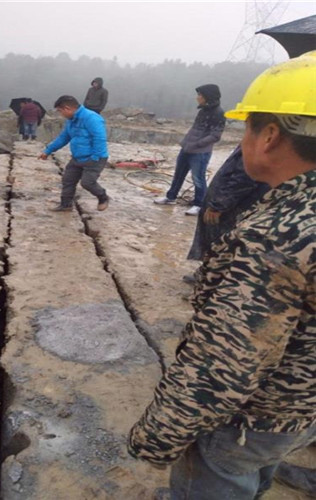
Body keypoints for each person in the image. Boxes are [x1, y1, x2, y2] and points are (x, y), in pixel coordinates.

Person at [128, 51, 316, 500]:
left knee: (221, 474)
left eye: (245, 128)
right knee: (259, 468)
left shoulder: (278, 237)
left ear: (269, 135)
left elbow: (222, 367)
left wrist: (154, 438)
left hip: (252, 419)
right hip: (301, 409)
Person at [182, 146, 270, 284]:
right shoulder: (254, 145)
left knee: (219, 244)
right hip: (227, 205)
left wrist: (219, 205)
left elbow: (242, 179)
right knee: (218, 244)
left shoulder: (257, 149)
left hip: (229, 209)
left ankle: (210, 282)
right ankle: (206, 275)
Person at [154, 84, 225, 215]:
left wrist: (198, 144)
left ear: (208, 97)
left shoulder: (219, 113)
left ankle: (199, 204)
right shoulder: (202, 111)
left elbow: (215, 135)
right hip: (187, 148)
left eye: (200, 95)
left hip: (200, 152)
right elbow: (195, 129)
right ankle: (171, 197)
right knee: (178, 174)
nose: (197, 98)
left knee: (198, 178)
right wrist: (186, 142)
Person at [39, 95, 109, 212]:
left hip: (95, 158)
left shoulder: (91, 118)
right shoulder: (71, 121)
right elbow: (63, 138)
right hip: (77, 157)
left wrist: (95, 157)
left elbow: (99, 138)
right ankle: (65, 205)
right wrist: (48, 151)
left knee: (87, 183)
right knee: (68, 180)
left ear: (67, 108)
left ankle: (103, 197)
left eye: (60, 111)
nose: (61, 114)